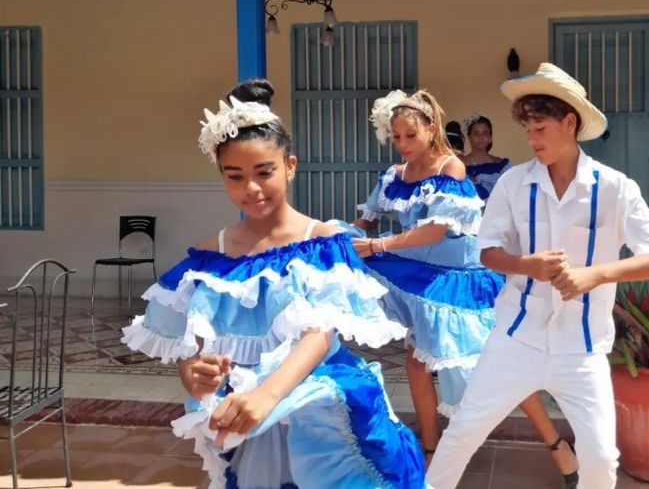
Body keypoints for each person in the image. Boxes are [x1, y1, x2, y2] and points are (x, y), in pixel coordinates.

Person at [122, 79, 425, 489]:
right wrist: (192, 373)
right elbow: (191, 343)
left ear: (290, 166)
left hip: (313, 400)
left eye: (264, 172)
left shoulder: (320, 242)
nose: (251, 188)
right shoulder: (213, 254)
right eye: (235, 176)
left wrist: (268, 396)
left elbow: (318, 335)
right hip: (246, 412)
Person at [426, 63, 649, 489]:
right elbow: (487, 251)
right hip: (514, 339)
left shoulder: (615, 188)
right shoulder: (513, 184)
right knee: (462, 434)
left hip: (581, 350)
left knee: (600, 458)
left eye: (540, 128)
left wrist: (594, 275)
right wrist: (526, 265)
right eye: (528, 130)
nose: (532, 140)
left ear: (570, 123)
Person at [350, 89, 579, 485]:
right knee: (417, 366)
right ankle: (431, 453)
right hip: (420, 279)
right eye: (396, 136)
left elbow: (436, 230)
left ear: (431, 129)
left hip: (461, 284)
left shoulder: (451, 168)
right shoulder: (395, 176)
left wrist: (378, 245)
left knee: (504, 367)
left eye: (410, 135)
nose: (402, 144)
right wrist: (329, 241)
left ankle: (558, 446)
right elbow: (365, 224)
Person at [461, 114, 511, 201]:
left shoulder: (501, 166)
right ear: (469, 137)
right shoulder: (460, 165)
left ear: (490, 137)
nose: (481, 137)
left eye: (485, 133)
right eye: (476, 133)